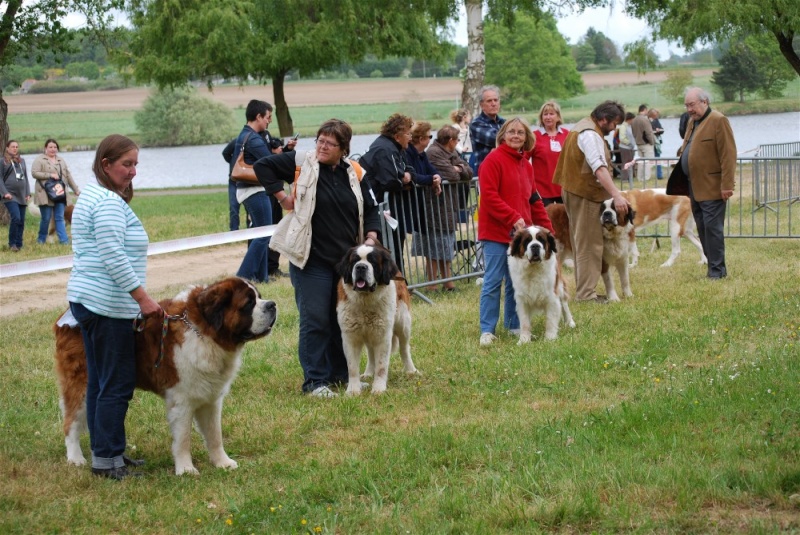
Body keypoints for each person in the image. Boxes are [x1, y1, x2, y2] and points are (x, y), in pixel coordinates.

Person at [254, 119, 382, 398]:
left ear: (343, 148)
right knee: (315, 319)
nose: (322, 147)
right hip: (310, 259)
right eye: (320, 141)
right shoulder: (302, 161)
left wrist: (371, 238)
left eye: (329, 143)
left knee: (341, 319)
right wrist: (281, 197)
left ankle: (338, 374)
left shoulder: (357, 172)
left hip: (346, 263)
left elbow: (372, 208)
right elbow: (263, 166)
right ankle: (315, 381)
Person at [67, 134, 162, 480]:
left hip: (88, 301)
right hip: (106, 306)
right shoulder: (107, 202)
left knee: (101, 382)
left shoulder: (91, 194)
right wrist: (143, 299)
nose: (133, 171)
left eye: (136, 164)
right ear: (105, 165)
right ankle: (108, 461)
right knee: (117, 383)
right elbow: (113, 256)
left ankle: (107, 452)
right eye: (126, 164)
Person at [477, 117, 554, 346]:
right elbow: (489, 197)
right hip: (495, 233)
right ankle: (487, 330)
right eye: (511, 132)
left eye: (520, 132)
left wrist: (548, 229)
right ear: (503, 135)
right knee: (492, 281)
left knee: (515, 282)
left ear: (526, 137)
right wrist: (513, 217)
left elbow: (534, 199)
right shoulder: (492, 161)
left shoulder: (526, 165)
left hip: (521, 235)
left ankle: (513, 324)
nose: (516, 136)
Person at [552, 100, 631, 303]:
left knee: (583, 243)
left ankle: (585, 290)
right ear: (604, 119)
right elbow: (599, 168)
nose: (614, 128)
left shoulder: (582, 127)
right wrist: (616, 195)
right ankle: (586, 295)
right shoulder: (590, 134)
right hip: (585, 194)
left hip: (576, 191)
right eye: (614, 123)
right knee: (589, 245)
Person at [667, 87, 736, 280]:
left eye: (692, 105)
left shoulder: (718, 120)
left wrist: (727, 185)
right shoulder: (692, 121)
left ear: (704, 102)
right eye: (687, 105)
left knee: (713, 229)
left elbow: (728, 155)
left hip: (713, 186)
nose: (689, 109)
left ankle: (718, 272)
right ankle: (712, 267)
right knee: (703, 228)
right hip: (693, 186)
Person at [359, 113, 417, 273]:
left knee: (396, 245)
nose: (410, 138)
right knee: (386, 248)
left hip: (393, 207)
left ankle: (399, 284)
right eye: (408, 134)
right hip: (378, 208)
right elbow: (389, 181)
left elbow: (411, 170)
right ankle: (391, 282)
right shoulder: (384, 149)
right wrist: (402, 180)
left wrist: (407, 178)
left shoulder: (398, 148)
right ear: (398, 136)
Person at [424, 125, 474, 291]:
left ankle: (448, 282)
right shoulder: (434, 152)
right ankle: (432, 284)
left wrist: (457, 168)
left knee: (446, 244)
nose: (458, 142)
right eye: (457, 139)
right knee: (435, 245)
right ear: (451, 141)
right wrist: (457, 170)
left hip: (448, 205)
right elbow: (452, 176)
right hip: (436, 206)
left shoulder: (451, 152)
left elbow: (469, 171)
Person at [232, 100, 274, 284]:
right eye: (268, 117)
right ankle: (243, 277)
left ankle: (262, 277)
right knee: (264, 233)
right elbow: (271, 164)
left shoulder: (244, 135)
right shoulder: (255, 139)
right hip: (254, 190)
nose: (269, 122)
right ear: (258, 116)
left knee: (261, 233)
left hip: (245, 189)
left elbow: (227, 154)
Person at [404, 122, 443, 289]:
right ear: (421, 138)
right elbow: (414, 176)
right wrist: (430, 180)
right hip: (407, 203)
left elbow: (431, 170)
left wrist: (437, 177)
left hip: (419, 202)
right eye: (429, 136)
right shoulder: (407, 153)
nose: (430, 139)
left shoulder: (422, 154)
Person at [31, 138, 80, 245]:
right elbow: (34, 173)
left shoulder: (61, 160)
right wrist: (49, 175)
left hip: (60, 193)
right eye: (50, 147)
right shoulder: (40, 160)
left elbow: (68, 175)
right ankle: (41, 240)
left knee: (59, 217)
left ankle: (64, 240)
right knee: (46, 218)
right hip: (45, 193)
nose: (53, 149)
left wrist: (75, 189)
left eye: (55, 147)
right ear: (45, 148)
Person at [529, 100, 569, 206]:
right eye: (545, 114)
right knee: (545, 221)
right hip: (542, 189)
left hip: (564, 188)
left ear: (558, 117)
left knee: (566, 220)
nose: (548, 117)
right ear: (541, 117)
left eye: (551, 114)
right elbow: (523, 159)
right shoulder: (534, 136)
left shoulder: (567, 134)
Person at [1, 140, 31, 252]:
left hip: (21, 195)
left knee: (21, 220)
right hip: (10, 195)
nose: (15, 148)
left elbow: (26, 177)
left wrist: (27, 192)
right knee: (16, 217)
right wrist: (5, 193)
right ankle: (12, 243)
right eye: (12, 146)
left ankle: (19, 244)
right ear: (7, 148)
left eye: (16, 147)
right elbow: (0, 179)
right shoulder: (3, 161)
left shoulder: (21, 161)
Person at [469, 85, 505, 174]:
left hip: (504, 170)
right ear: (481, 105)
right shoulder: (476, 124)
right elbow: (497, 139)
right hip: (487, 172)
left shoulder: (504, 123)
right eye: (489, 101)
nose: (493, 103)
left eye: (496, 100)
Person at [631, 104, 655, 182]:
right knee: (648, 162)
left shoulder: (634, 120)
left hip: (638, 143)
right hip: (646, 143)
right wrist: (652, 141)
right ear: (644, 110)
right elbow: (648, 132)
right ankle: (646, 178)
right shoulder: (645, 120)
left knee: (641, 162)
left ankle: (640, 178)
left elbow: (633, 132)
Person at [616, 112, 636, 184]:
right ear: (629, 119)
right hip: (625, 148)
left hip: (630, 147)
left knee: (631, 162)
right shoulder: (623, 126)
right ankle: (624, 178)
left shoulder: (629, 126)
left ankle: (630, 177)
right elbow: (622, 138)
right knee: (625, 162)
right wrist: (629, 143)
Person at [648, 108, 665, 179]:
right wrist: (656, 130)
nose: (656, 117)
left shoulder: (656, 121)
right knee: (653, 158)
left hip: (657, 141)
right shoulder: (647, 121)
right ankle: (652, 174)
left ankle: (659, 174)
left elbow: (662, 130)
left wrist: (659, 130)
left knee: (658, 157)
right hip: (651, 141)